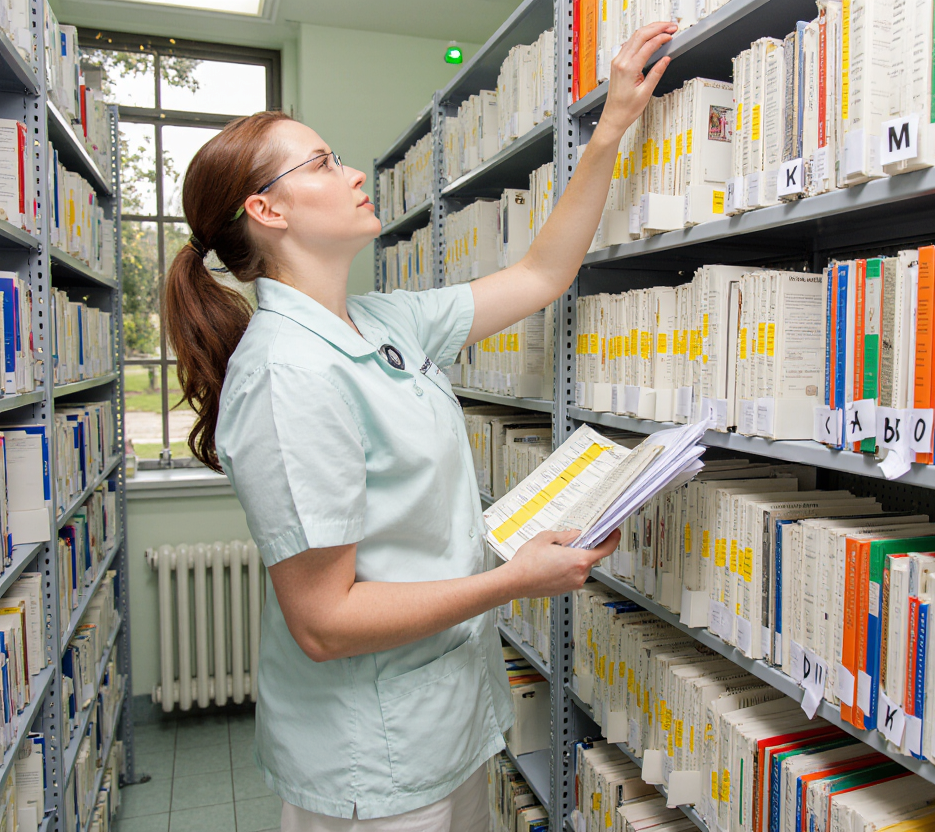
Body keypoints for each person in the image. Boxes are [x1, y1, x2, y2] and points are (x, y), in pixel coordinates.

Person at [160, 22, 676, 832]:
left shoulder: (383, 320)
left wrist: (608, 128)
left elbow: (541, 273)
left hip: (445, 723)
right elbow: (323, 623)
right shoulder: (287, 373)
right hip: (373, 755)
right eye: (321, 164)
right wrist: (515, 580)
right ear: (266, 209)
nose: (352, 173)